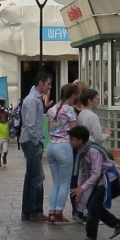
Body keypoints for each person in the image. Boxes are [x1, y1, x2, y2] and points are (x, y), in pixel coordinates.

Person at [71, 124, 120, 240]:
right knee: (93, 206)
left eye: (72, 139)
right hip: (100, 179)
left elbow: (96, 173)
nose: (70, 142)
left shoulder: (93, 150)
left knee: (93, 207)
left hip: (108, 178)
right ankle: (118, 224)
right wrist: (80, 192)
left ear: (80, 140)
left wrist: (83, 188)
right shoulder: (82, 151)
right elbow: (82, 172)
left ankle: (91, 238)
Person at [44, 82, 81, 225]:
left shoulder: (52, 109)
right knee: (65, 182)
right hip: (64, 146)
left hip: (51, 145)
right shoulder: (69, 110)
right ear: (73, 95)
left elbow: (49, 129)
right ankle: (59, 211)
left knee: (56, 182)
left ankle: (52, 212)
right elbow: (75, 130)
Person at [17, 73, 51, 220]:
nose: (49, 87)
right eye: (48, 84)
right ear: (41, 83)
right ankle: (35, 211)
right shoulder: (32, 100)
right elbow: (30, 124)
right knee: (38, 176)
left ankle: (27, 211)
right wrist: (36, 140)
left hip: (31, 140)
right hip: (30, 141)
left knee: (31, 175)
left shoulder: (36, 99)